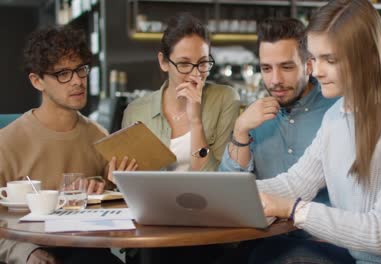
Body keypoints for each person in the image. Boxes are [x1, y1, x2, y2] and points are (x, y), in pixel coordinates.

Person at [251, 0, 381, 263]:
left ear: (367, 58)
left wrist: (295, 210)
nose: (316, 72)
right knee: (265, 253)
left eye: (330, 60)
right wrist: (231, 192)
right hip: (365, 260)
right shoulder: (336, 117)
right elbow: (296, 183)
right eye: (314, 59)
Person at [0, 25, 135, 264]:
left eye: (81, 70)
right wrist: (24, 253)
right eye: (63, 73)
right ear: (37, 81)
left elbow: (116, 213)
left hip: (88, 251)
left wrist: (113, 188)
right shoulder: (7, 142)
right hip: (30, 250)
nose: (77, 81)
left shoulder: (98, 135)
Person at [219, 17, 337, 202]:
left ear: (309, 65)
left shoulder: (336, 110)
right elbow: (229, 190)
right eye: (266, 68)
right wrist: (241, 130)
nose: (275, 80)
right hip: (265, 231)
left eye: (286, 67)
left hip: (319, 230)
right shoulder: (253, 117)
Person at [120, 12, 240, 174]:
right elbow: (132, 183)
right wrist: (120, 176)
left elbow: (217, 179)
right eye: (184, 64)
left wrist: (195, 121)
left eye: (203, 63)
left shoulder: (225, 99)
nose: (195, 74)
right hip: (154, 199)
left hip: (208, 198)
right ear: (164, 62)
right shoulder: (136, 112)